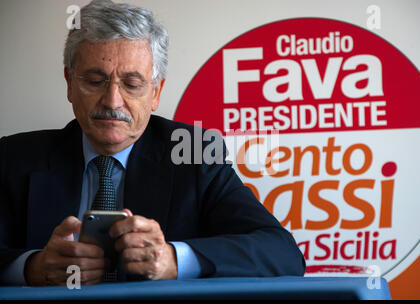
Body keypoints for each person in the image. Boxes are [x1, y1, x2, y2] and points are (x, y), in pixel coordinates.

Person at [0, 0, 305, 286]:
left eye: (132, 84)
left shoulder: (195, 153)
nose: (112, 101)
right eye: (95, 81)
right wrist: (32, 267)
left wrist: (173, 260)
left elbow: (282, 253)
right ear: (69, 83)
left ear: (156, 92)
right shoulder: (14, 158)